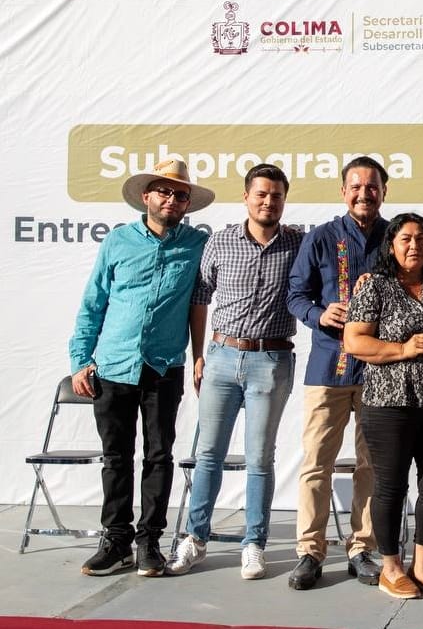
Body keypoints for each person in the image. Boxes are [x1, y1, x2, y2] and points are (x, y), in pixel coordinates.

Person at [68, 159, 213, 576]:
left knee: (159, 457)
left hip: (163, 367)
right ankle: (116, 541)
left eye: (180, 194)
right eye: (164, 191)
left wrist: (200, 354)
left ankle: (149, 542)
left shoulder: (198, 246)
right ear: (146, 196)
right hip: (113, 365)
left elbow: (199, 305)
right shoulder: (117, 242)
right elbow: (93, 304)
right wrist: (80, 361)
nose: (172, 199)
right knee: (116, 458)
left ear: (187, 203)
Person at [166, 163, 302, 579]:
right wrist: (199, 355)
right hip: (222, 356)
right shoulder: (220, 242)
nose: (268, 202)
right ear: (246, 197)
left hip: (271, 360)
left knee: (260, 458)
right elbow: (200, 297)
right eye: (261, 194)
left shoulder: (298, 243)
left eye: (276, 195)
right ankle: (195, 538)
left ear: (284, 200)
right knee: (209, 454)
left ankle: (254, 544)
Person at [344, 213, 423, 600]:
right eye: (406, 239)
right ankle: (391, 568)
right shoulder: (374, 286)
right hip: (388, 404)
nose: (415, 245)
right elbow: (354, 342)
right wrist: (403, 349)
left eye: (422, 239)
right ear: (391, 245)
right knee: (391, 487)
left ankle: (422, 567)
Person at [286, 156, 389, 589]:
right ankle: (309, 552)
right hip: (328, 367)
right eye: (356, 186)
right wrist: (318, 313)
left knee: (372, 465)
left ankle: (362, 548)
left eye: (372, 186)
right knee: (316, 464)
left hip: (381, 370)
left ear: (384, 191)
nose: (364, 194)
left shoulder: (396, 236)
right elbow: (295, 294)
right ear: (343, 191)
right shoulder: (321, 237)